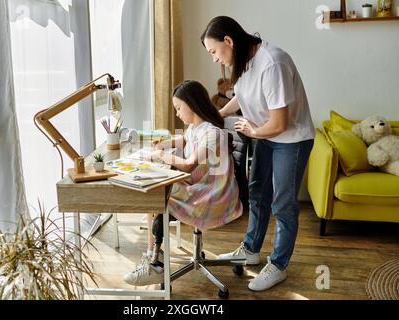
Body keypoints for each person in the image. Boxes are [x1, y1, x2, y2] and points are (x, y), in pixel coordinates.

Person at [201, 16, 315, 291]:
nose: (215, 59)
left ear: (228, 41)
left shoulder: (272, 63)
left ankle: (278, 265)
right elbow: (242, 95)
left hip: (291, 139)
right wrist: (216, 115)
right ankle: (251, 250)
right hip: (264, 134)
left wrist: (252, 132)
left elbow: (279, 124)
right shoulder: (242, 61)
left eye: (214, 51)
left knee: (283, 203)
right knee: (257, 193)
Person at [123, 80, 243, 286]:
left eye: (179, 108)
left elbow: (188, 165)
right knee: (156, 191)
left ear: (191, 104)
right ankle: (153, 257)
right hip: (200, 187)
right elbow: (186, 141)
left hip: (213, 196)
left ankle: (155, 264)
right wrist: (165, 144)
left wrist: (161, 156)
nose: (177, 113)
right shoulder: (196, 128)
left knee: (159, 195)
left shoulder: (212, 133)